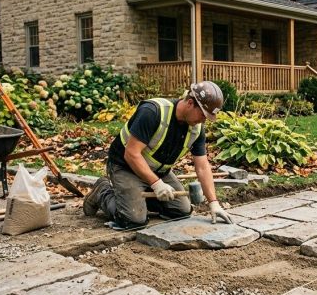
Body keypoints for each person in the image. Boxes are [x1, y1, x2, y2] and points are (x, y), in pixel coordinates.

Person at [83, 81, 232, 230]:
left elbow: (202, 167)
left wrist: (214, 203)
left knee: (182, 211)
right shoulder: (152, 112)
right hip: (125, 167)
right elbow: (131, 154)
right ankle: (103, 191)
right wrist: (156, 184)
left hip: (158, 171)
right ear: (190, 103)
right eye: (203, 114)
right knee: (133, 220)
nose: (204, 120)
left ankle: (136, 198)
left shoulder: (196, 129)